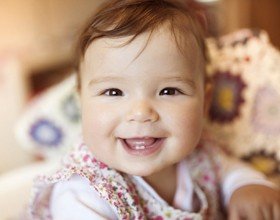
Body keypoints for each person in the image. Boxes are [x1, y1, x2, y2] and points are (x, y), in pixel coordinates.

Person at [28, 0, 280, 219]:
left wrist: (247, 187)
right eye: (113, 92)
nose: (141, 112)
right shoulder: (83, 192)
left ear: (204, 102)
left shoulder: (201, 156)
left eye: (168, 91)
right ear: (82, 102)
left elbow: (231, 171)